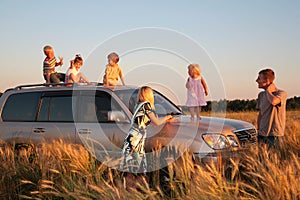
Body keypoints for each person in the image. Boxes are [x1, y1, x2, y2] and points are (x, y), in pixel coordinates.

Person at [121, 86, 173, 174]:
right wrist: (167, 117)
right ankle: (136, 185)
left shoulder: (138, 106)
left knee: (134, 168)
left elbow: (148, 120)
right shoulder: (146, 105)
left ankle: (133, 185)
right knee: (138, 168)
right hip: (136, 140)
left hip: (134, 138)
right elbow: (156, 122)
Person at [256, 68, 287, 148]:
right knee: (262, 158)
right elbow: (260, 114)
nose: (256, 81)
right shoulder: (261, 95)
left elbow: (273, 101)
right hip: (262, 134)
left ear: (267, 80)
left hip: (275, 134)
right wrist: (258, 130)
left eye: (259, 78)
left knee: (277, 159)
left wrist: (268, 90)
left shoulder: (281, 93)